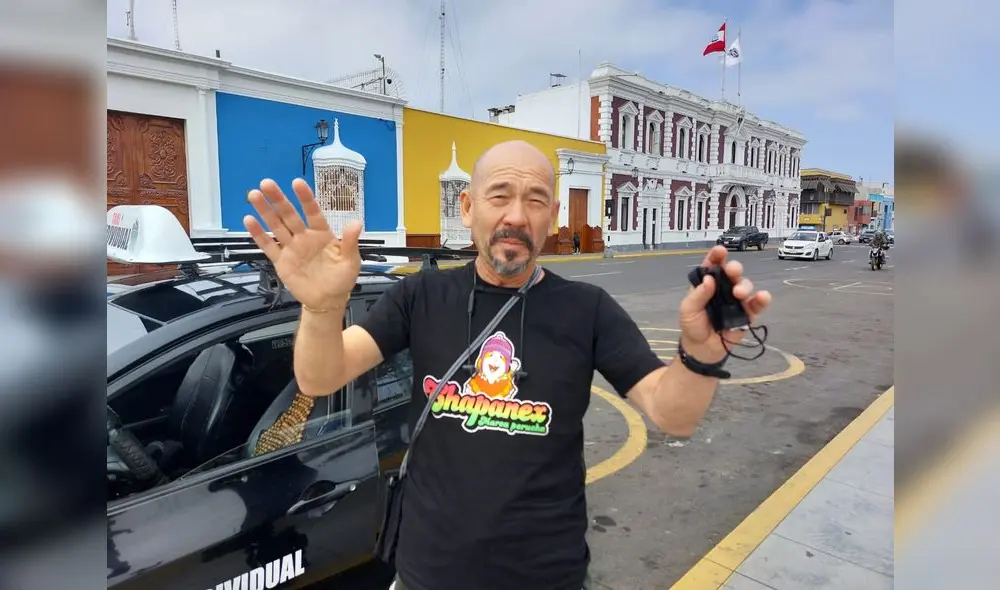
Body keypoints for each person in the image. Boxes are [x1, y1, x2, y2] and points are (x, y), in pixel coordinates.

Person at [242, 140, 771, 590]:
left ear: (552, 216)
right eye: (500, 196)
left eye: (535, 199)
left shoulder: (587, 310)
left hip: (545, 576)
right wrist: (322, 308)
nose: (516, 215)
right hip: (428, 573)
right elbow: (321, 376)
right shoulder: (419, 297)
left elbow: (672, 413)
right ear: (468, 207)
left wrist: (701, 354)